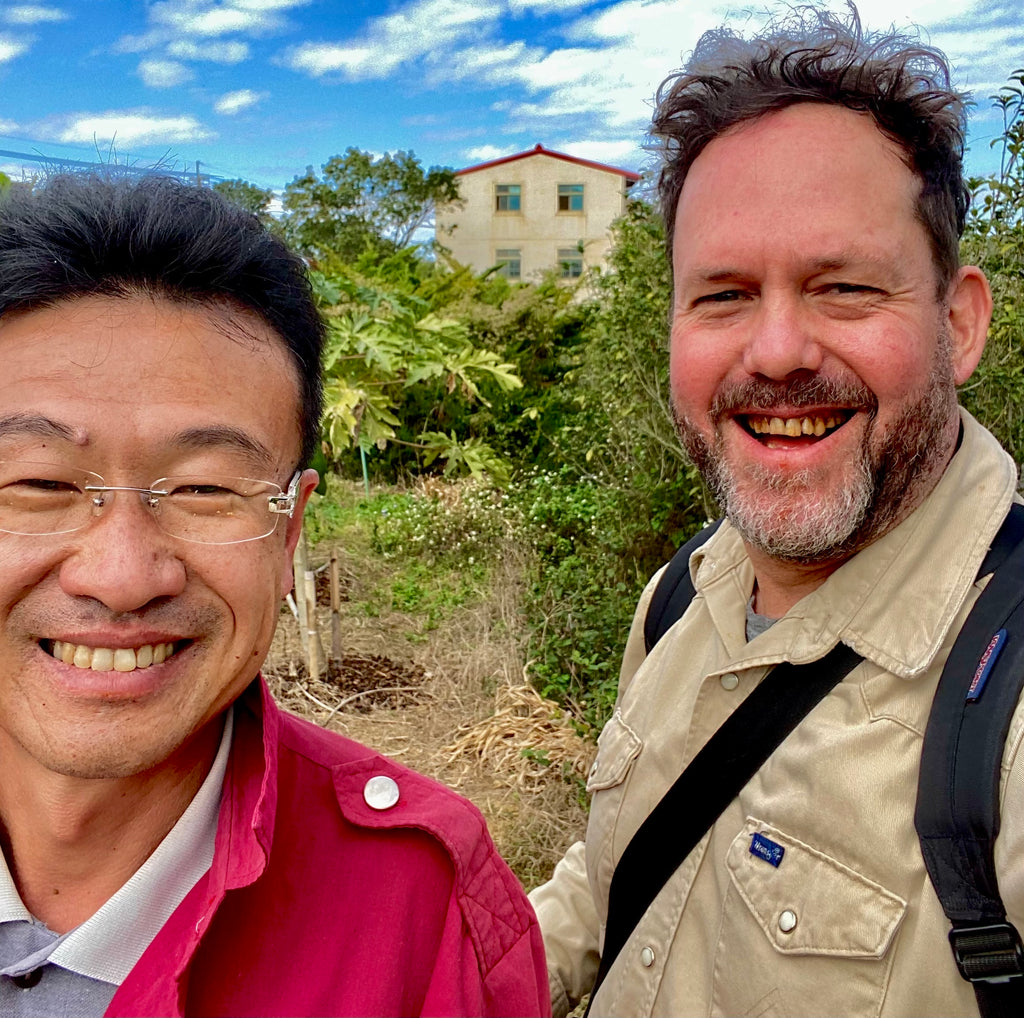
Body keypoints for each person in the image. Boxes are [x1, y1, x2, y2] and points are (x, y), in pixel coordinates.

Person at [529, 5, 1021, 1016]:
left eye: (842, 286)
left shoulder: (1004, 707)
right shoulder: (682, 595)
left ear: (958, 322)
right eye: (721, 295)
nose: (778, 351)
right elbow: (612, 882)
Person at [0, 173, 549, 1018]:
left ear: (290, 531)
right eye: (39, 481)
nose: (119, 576)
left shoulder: (421, 903)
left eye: (206, 490)